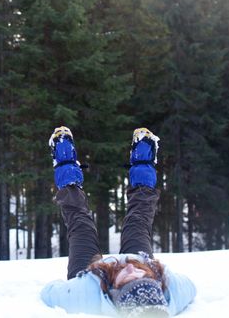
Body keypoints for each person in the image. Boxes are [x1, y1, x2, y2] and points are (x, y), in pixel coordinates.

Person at [41, 127, 196, 317]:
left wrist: (74, 283)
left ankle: (65, 164)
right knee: (138, 222)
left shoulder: (85, 296)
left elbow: (49, 291)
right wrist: (156, 273)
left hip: (92, 276)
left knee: (81, 226)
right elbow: (190, 286)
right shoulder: (170, 291)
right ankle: (143, 165)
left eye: (127, 279)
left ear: (115, 293)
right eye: (141, 278)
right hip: (144, 263)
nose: (129, 268)